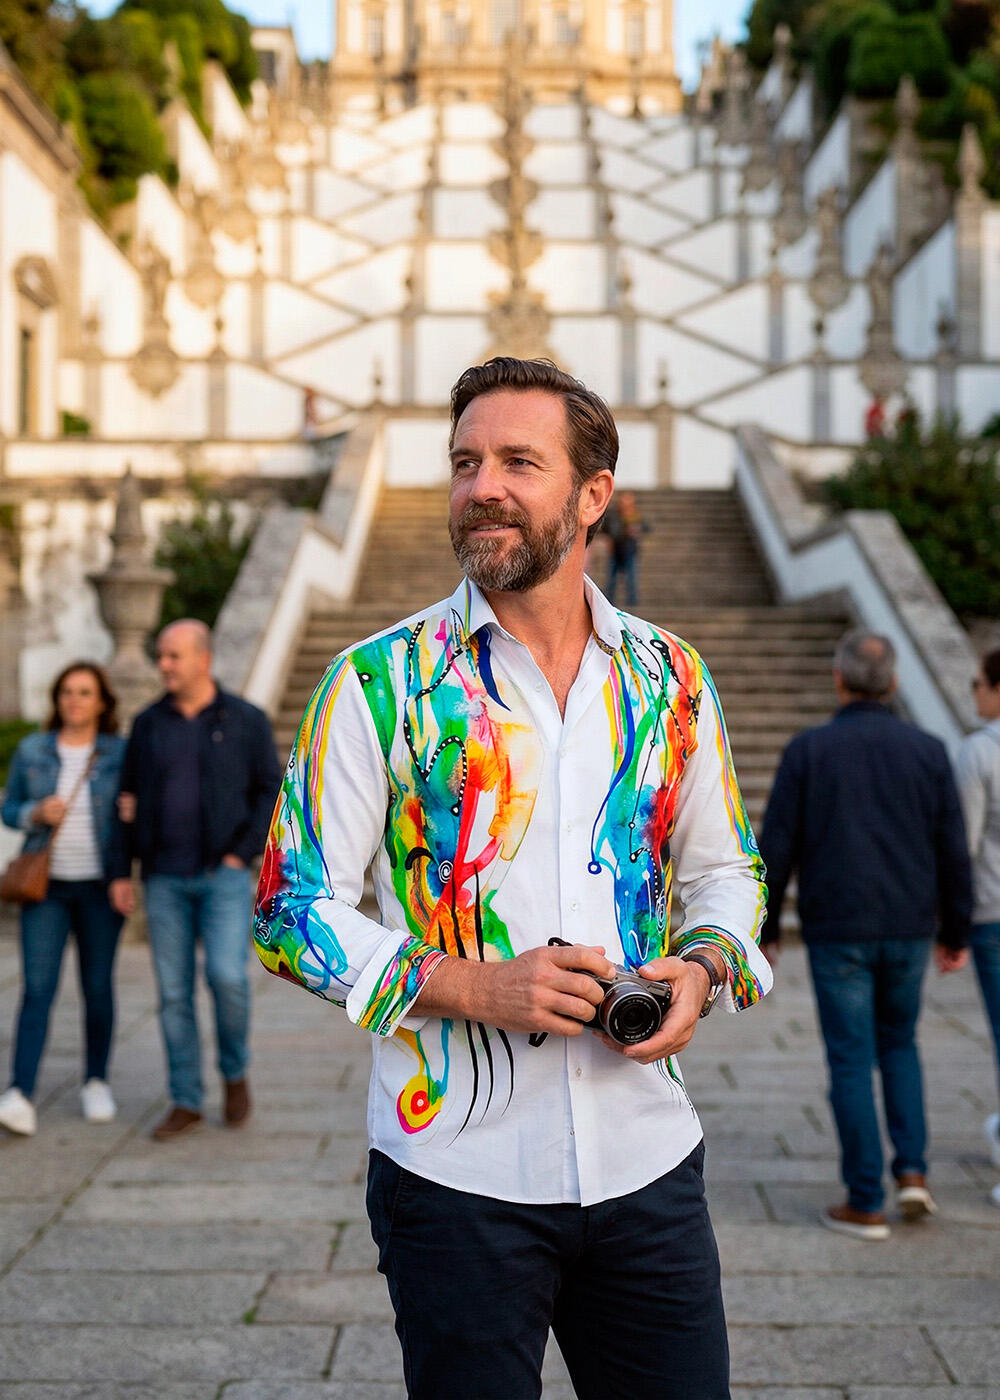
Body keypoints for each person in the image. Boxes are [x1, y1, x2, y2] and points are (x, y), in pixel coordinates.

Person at [253, 356, 772, 1400]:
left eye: (516, 461)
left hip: (647, 1158)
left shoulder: (671, 677)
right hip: (454, 1171)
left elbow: (727, 869)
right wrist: (472, 984)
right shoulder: (378, 680)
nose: (479, 484)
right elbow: (287, 904)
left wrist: (705, 969)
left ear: (593, 495)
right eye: (463, 460)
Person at [759, 631, 972, 1240]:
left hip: (838, 928)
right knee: (900, 1046)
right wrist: (955, 930)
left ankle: (864, 1198)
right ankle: (913, 1174)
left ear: (839, 679)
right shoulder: (929, 750)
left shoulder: (810, 750)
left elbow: (777, 846)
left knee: (851, 1057)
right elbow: (951, 849)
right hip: (908, 927)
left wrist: (764, 930)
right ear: (896, 683)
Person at [110, 619, 281, 1141]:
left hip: (223, 877)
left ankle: (234, 1073)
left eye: (172, 656)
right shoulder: (147, 724)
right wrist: (123, 871)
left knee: (228, 979)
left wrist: (240, 856)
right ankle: (185, 1099)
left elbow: (272, 793)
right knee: (173, 994)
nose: (163, 665)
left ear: (203, 659)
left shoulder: (246, 720)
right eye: (161, 656)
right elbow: (125, 799)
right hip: (163, 879)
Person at [0, 662, 129, 1136]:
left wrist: (131, 813)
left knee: (97, 988)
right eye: (66, 692)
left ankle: (96, 1080)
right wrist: (35, 811)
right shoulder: (34, 749)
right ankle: (19, 1092)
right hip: (45, 889)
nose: (74, 700)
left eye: (84, 692)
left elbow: (133, 809)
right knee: (37, 988)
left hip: (99, 887)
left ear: (101, 702)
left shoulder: (118, 752)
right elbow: (8, 808)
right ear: (57, 700)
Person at [954, 646, 1000, 1205]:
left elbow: (962, 844)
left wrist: (953, 924)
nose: (974, 693)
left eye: (978, 684)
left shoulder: (979, 752)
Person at [602, 488, 647, 607]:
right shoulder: (613, 514)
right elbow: (608, 529)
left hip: (629, 550)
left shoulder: (635, 514)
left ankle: (632, 604)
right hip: (616, 549)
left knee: (631, 579)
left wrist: (636, 530)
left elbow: (645, 527)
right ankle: (608, 603)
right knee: (611, 580)